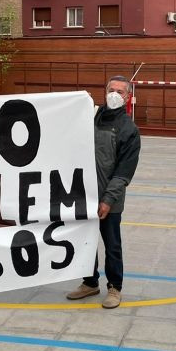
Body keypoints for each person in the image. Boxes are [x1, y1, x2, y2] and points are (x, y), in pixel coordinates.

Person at [66, 76, 141, 309]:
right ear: (105, 90)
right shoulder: (90, 117)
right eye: (112, 89)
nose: (115, 94)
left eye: (120, 91)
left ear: (128, 97)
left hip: (110, 200)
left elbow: (123, 172)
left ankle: (114, 287)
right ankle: (90, 283)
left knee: (112, 245)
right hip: (84, 195)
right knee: (85, 241)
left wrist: (108, 200)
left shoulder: (129, 130)